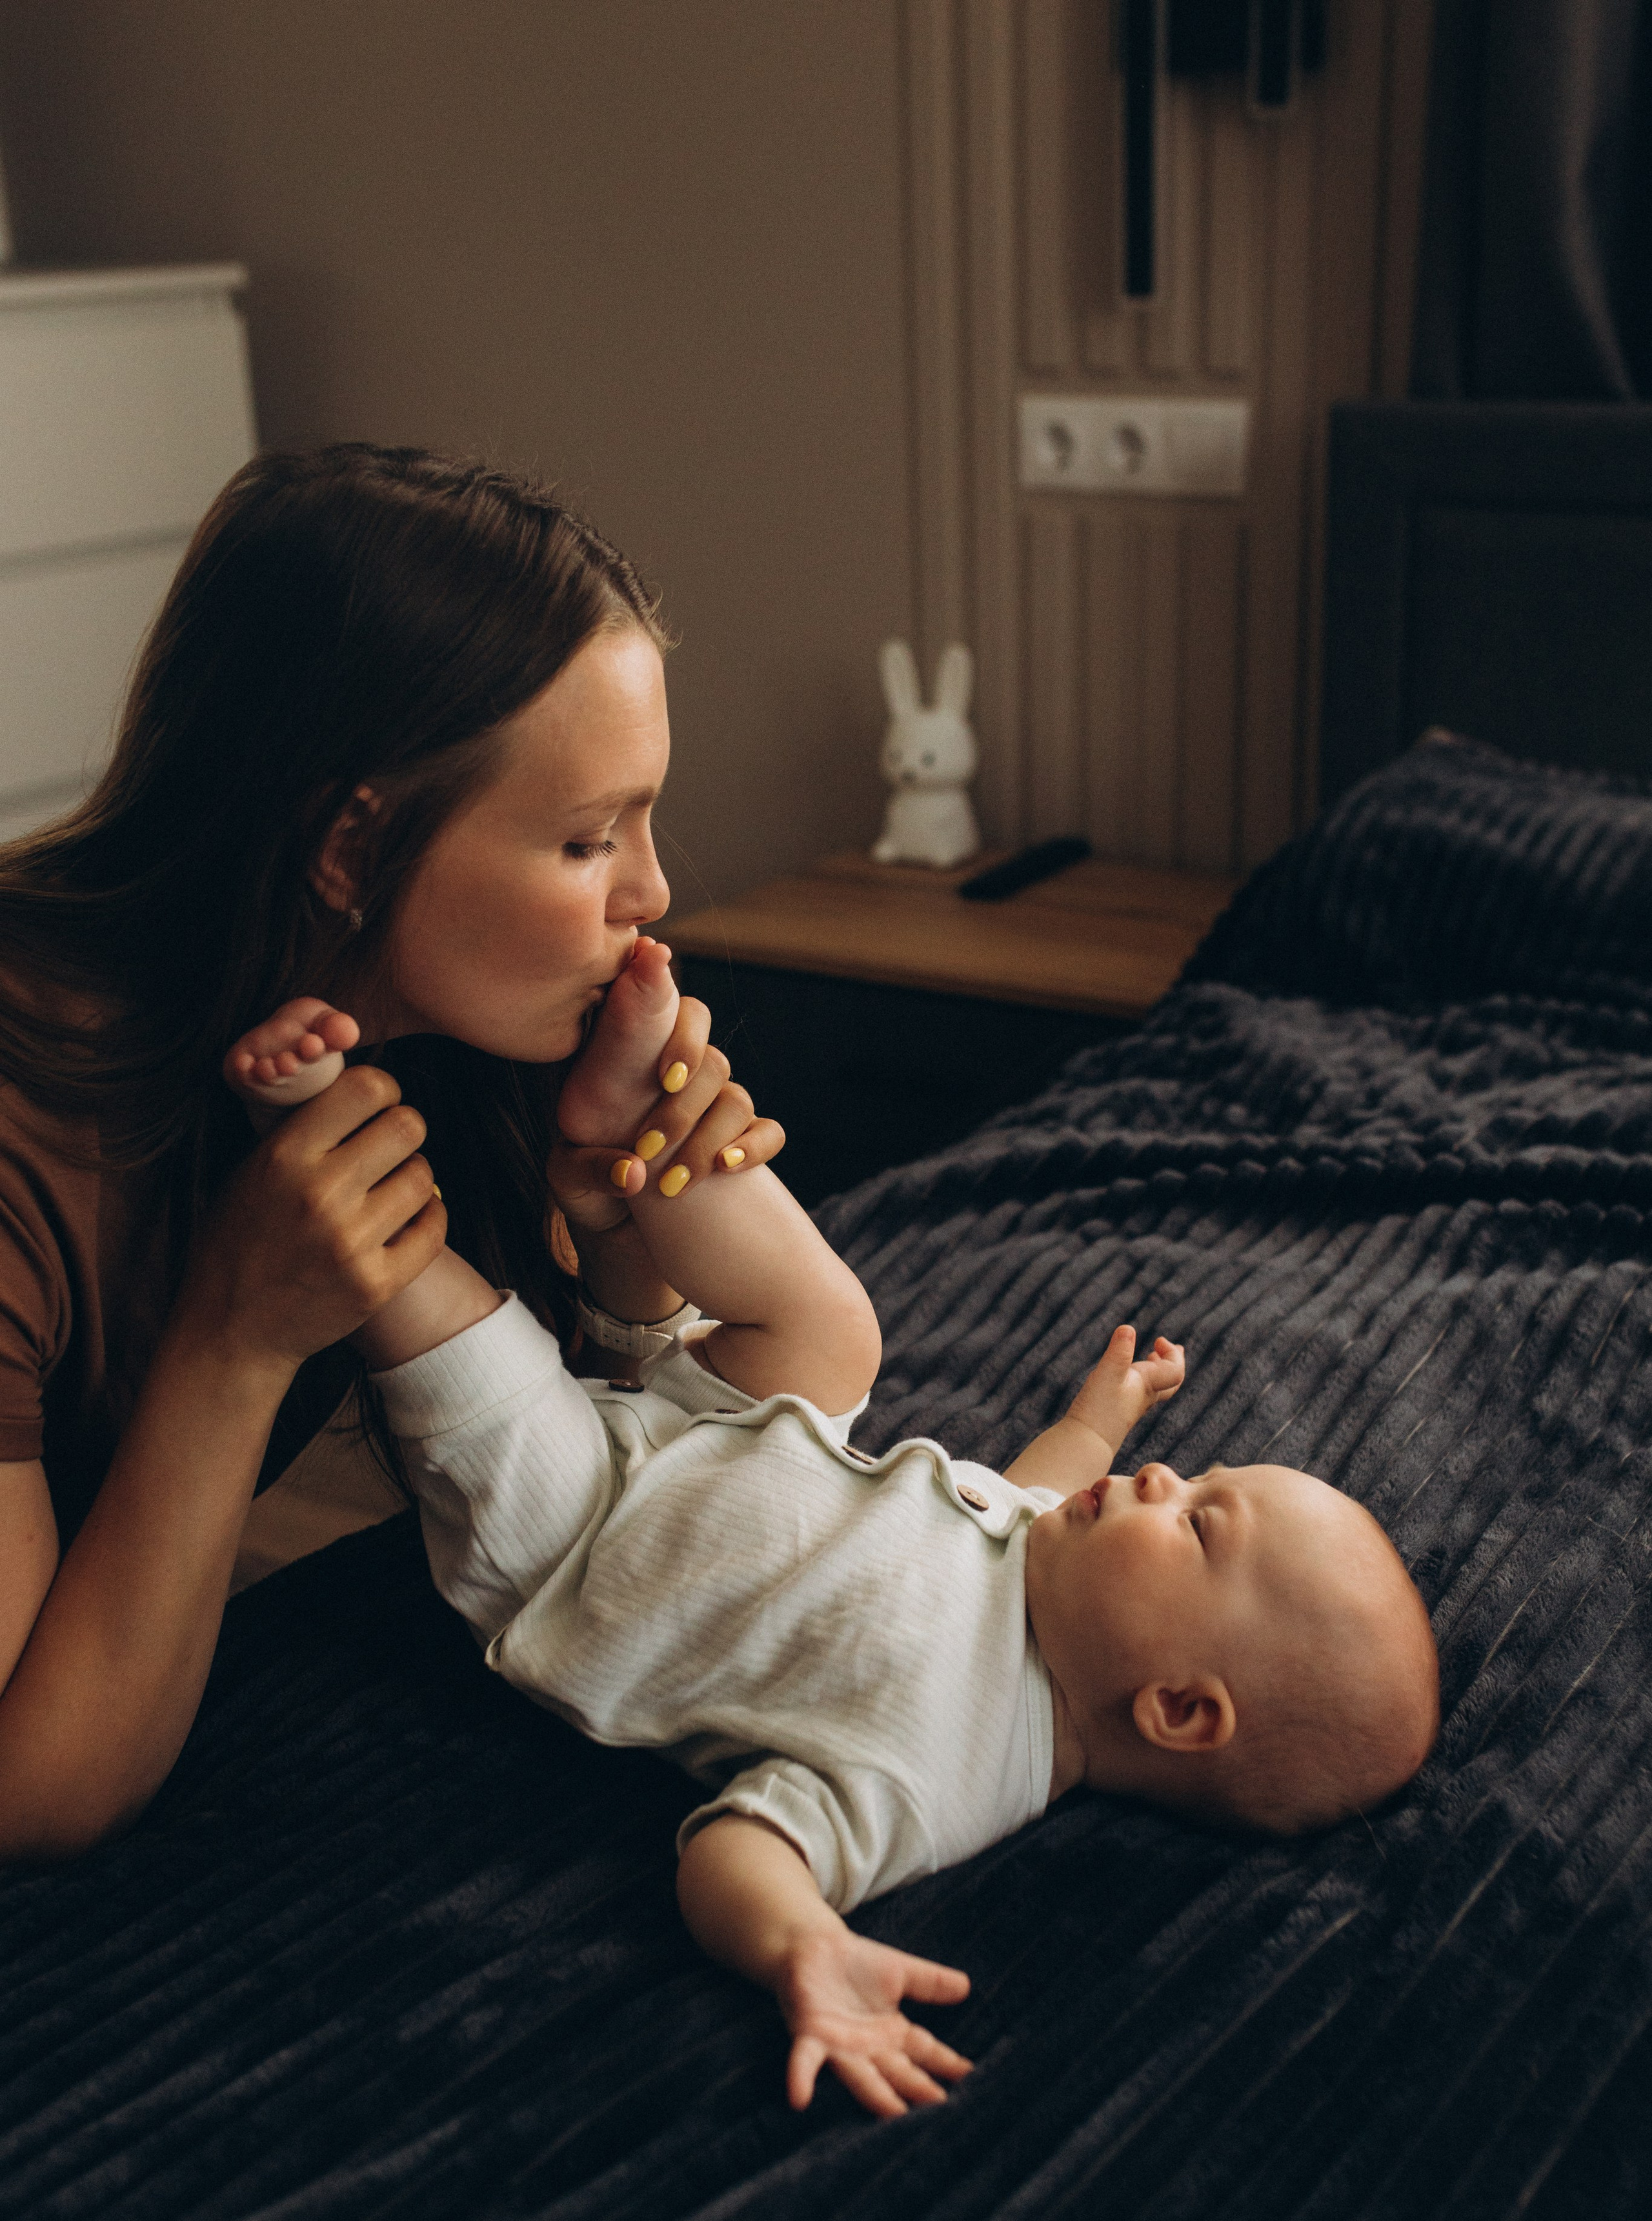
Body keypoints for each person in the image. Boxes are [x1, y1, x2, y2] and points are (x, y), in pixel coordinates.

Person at [224, 965, 1442, 2122]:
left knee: (470, 1337)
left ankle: (329, 1139)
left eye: (1198, 1524)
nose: (1167, 1481)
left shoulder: (938, 1768)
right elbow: (1026, 1492)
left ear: (1176, 1709)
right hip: (727, 1432)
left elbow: (746, 1851)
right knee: (837, 1332)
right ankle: (639, 1132)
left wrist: (805, 1945)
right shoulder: (1055, 1580)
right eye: (1197, 1478)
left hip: (582, 1539)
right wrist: (1098, 1419)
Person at [0, 443, 779, 1862]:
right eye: (587, 838)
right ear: (350, 851)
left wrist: (617, 1225)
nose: (654, 892)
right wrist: (237, 1336)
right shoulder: (27, 1135)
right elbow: (30, 1792)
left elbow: (611, 1534)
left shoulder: (408, 1057)